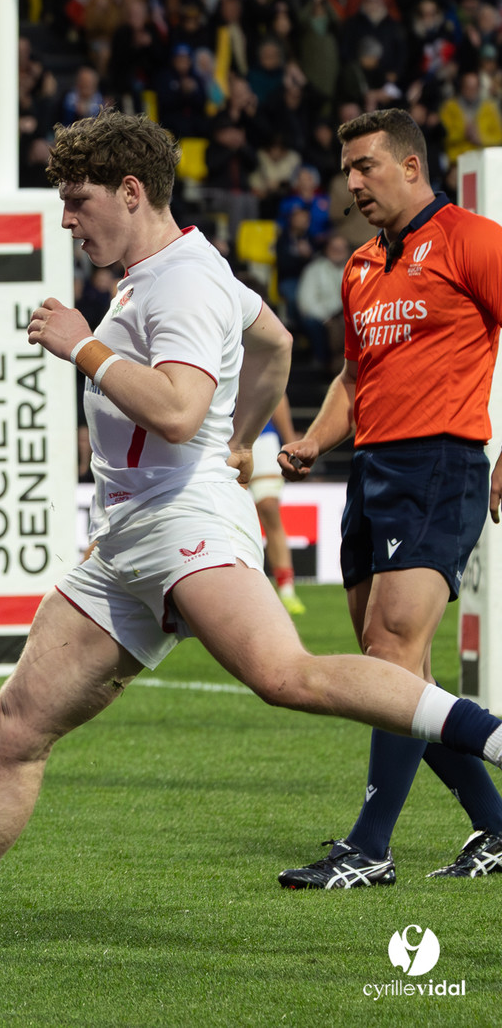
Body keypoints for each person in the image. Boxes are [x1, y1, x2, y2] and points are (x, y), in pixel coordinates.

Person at [0, 110, 502, 959]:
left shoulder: (178, 281)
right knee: (16, 724)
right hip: (132, 536)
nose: (68, 220)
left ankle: (491, 743)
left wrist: (87, 352)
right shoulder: (172, 272)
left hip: (185, 522)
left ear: (132, 191)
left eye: (78, 202)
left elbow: (182, 411)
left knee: (285, 674)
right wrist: (245, 434)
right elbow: (276, 342)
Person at [276, 108, 502, 887]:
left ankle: (369, 848)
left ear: (411, 166)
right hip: (369, 472)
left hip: (441, 463)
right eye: (346, 171)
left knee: (392, 655)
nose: (352, 183)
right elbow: (352, 377)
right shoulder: (362, 264)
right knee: (395, 680)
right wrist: (312, 439)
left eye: (366, 166)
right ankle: (499, 830)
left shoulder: (474, 239)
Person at [250, 396, 306, 615]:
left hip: (262, 435)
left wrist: (290, 440)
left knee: (269, 509)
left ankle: (287, 590)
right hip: (221, 434)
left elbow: (276, 392)